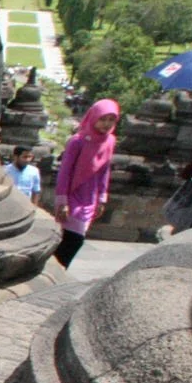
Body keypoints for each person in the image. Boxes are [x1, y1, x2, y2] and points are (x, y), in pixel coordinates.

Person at [51, 100, 119, 267]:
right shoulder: (78, 141)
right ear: (94, 117)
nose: (106, 124)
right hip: (73, 195)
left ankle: (57, 270)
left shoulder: (109, 141)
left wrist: (102, 198)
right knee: (74, 239)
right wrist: (62, 201)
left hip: (90, 196)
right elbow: (65, 172)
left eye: (111, 120)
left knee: (71, 240)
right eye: (103, 119)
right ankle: (56, 271)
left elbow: (104, 170)